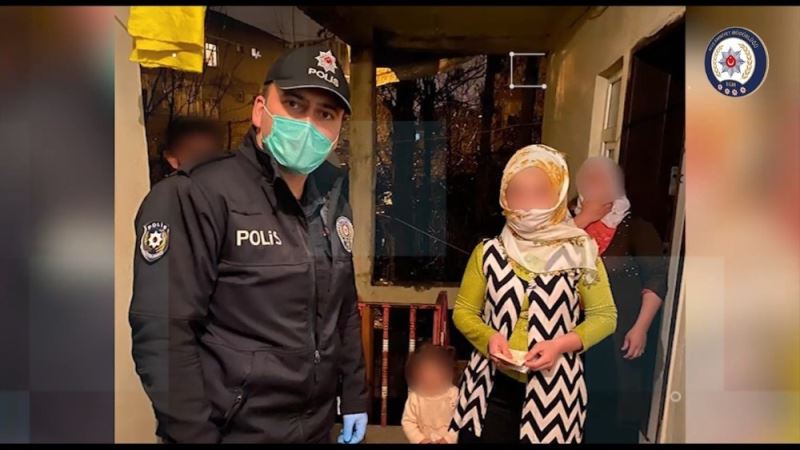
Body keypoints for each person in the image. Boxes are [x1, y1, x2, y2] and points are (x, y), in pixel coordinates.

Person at [129, 45, 368, 444]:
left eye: (325, 114)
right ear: (260, 110)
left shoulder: (332, 198)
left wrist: (355, 394)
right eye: (294, 105)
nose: (308, 124)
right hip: (231, 432)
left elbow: (342, 309)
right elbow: (163, 332)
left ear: (338, 129)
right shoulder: (198, 195)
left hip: (315, 429)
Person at [449, 144, 617, 444]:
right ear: (505, 196)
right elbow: (464, 311)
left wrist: (559, 345)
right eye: (517, 191)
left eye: (539, 192)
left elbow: (605, 317)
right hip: (489, 389)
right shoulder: (488, 252)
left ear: (558, 195)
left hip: (555, 393)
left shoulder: (581, 252)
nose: (527, 203)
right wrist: (488, 338)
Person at [571, 156, 668, 443]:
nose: (597, 185)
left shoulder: (637, 228)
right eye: (590, 179)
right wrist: (584, 218)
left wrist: (641, 328)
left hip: (619, 335)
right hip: (572, 335)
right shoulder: (565, 224)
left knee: (613, 415)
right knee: (573, 411)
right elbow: (544, 259)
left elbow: (656, 279)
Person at [401, 343, 459, 444]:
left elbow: (460, 420)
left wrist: (449, 438)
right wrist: (420, 439)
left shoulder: (453, 394)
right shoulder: (415, 397)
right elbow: (408, 422)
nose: (430, 377)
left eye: (435, 372)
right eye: (425, 372)